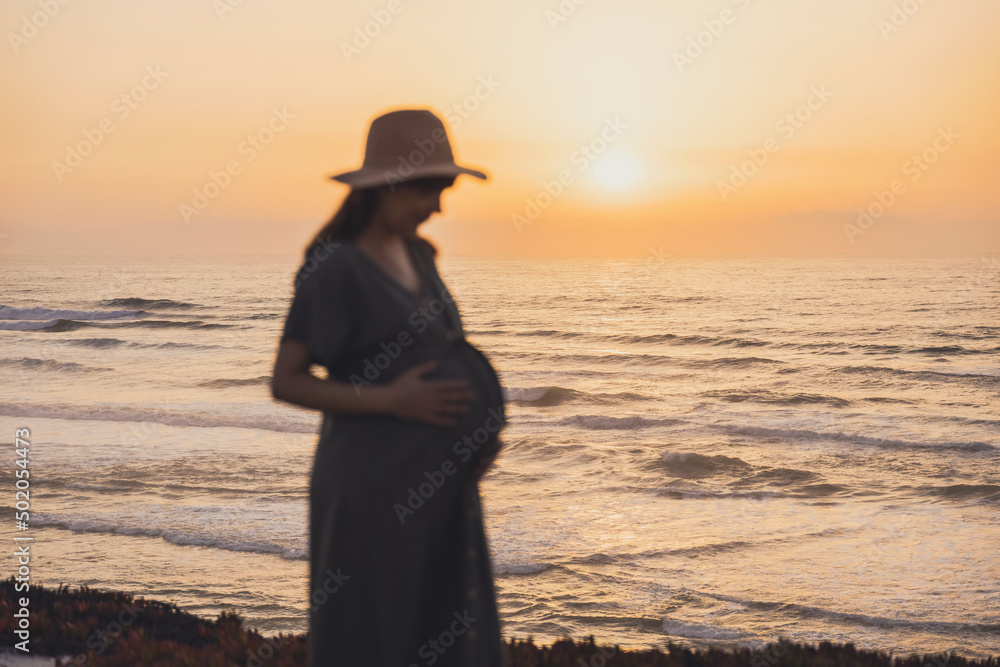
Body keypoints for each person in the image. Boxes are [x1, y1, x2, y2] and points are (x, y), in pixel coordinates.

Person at [271, 109, 507, 666]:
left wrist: (473, 443)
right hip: (372, 487)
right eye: (433, 188)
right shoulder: (336, 269)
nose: (441, 205)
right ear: (392, 185)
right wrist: (389, 400)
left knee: (447, 627)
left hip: (439, 489)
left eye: (446, 188)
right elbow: (286, 380)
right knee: (373, 632)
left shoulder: (421, 256)